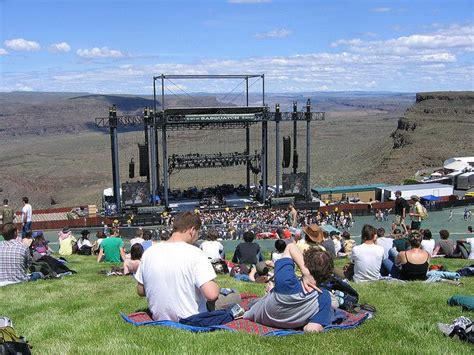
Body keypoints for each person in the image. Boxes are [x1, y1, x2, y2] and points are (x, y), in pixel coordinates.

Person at [135, 212, 219, 321]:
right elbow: (211, 295)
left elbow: (141, 291)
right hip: (191, 318)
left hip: (160, 317)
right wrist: (216, 286)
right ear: (192, 230)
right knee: (232, 296)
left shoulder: (149, 252)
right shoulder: (196, 253)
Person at [243, 243, 333, 332]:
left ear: (305, 264)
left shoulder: (287, 280)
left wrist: (305, 271)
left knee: (261, 298)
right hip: (288, 319)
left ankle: (270, 292)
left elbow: (290, 247)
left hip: (261, 315)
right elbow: (312, 329)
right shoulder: (324, 297)